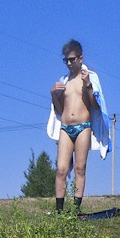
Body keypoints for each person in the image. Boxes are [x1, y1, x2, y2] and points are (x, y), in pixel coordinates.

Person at [47, 39, 111, 213]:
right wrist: (54, 95)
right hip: (66, 128)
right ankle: (60, 210)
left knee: (80, 168)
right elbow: (60, 111)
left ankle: (76, 209)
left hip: (83, 126)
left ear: (80, 58)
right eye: (66, 60)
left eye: (72, 59)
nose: (69, 63)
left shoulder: (89, 77)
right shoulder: (63, 81)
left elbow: (96, 106)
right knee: (61, 169)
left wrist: (89, 85)